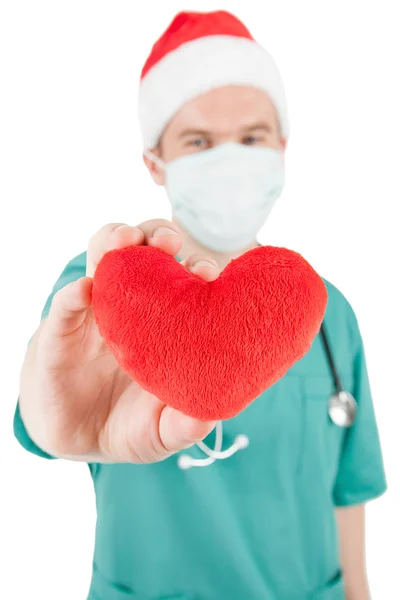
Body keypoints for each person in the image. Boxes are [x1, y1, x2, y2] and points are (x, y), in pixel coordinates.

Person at [14, 10, 387, 600]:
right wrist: (50, 417)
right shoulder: (101, 289)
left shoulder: (327, 311)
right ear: (154, 161)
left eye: (253, 136)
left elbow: (348, 493)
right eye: (199, 141)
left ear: (283, 147)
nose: (231, 158)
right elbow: (45, 418)